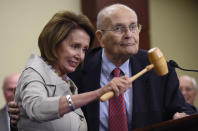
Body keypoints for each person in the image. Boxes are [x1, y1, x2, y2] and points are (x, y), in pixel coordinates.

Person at [9, 4, 197, 131]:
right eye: (119, 29)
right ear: (100, 37)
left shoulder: (156, 68)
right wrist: (21, 112)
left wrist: (181, 115)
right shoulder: (77, 67)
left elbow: (183, 109)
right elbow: (45, 107)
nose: (129, 35)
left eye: (133, 27)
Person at [12, 10, 131, 131]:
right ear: (55, 42)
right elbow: (37, 109)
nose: (80, 56)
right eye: (75, 46)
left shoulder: (70, 81)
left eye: (84, 49)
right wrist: (99, 93)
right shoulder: (33, 73)